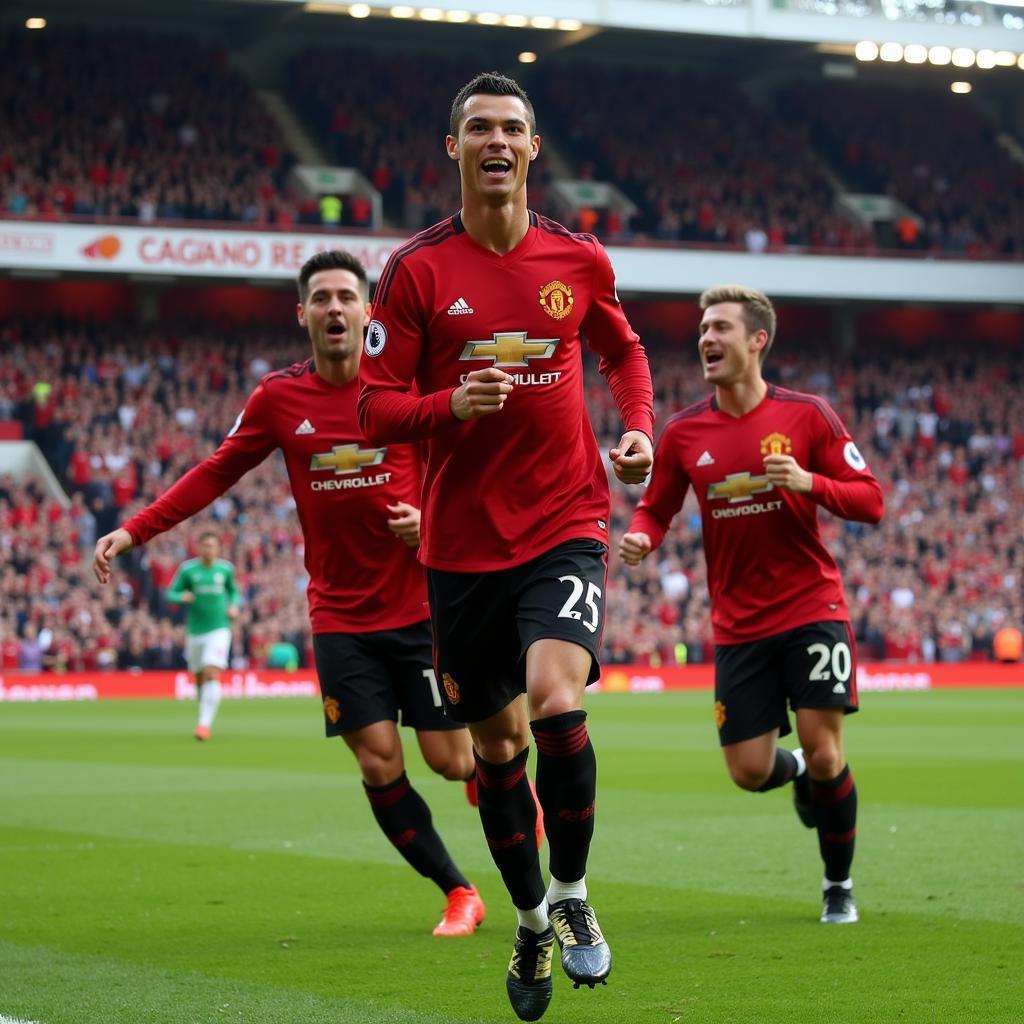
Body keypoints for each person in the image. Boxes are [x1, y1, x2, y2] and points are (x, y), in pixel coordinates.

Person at [357, 72, 654, 1020]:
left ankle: (568, 896)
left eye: (512, 128)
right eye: (478, 127)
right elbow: (371, 409)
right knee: (497, 747)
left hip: (565, 518)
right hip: (459, 549)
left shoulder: (578, 259)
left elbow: (623, 351)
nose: (496, 140)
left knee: (561, 701)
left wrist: (638, 426)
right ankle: (529, 918)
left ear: (532, 149)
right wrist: (450, 404)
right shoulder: (414, 273)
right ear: (453, 149)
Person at [93, 250, 487, 938]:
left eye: (347, 297)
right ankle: (458, 890)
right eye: (322, 298)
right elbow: (215, 474)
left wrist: (431, 521)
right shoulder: (279, 398)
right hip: (339, 614)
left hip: (422, 605)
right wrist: (134, 531)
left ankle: (504, 782)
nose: (335, 308)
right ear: (301, 313)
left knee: (451, 758)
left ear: (370, 311)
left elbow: (465, 468)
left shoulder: (404, 384)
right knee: (376, 759)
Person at [619, 284, 884, 927]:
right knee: (747, 770)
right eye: (703, 328)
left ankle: (837, 884)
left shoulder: (808, 416)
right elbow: (658, 507)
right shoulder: (683, 432)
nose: (706, 339)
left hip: (812, 607)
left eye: (721, 329)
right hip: (738, 625)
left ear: (757, 340)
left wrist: (809, 482)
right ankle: (793, 773)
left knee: (828, 752)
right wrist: (641, 537)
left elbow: (870, 500)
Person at [166, 530, 239, 740]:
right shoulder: (188, 570)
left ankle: (203, 726)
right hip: (195, 631)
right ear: (198, 547)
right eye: (205, 545)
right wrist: (182, 596)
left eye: (212, 545)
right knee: (199, 677)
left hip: (219, 629)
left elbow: (234, 591)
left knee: (211, 672)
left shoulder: (225, 569)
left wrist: (233, 606)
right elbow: (170, 593)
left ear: (218, 548)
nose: (208, 549)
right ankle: (204, 715)